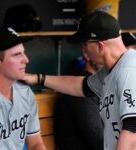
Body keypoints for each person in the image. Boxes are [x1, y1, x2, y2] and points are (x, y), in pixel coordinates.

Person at [23, 11, 136, 149]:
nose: (84, 51)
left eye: (86, 44)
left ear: (100, 46)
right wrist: (39, 78)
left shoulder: (129, 70)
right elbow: (81, 86)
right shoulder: (111, 70)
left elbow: (132, 133)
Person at [0, 27, 46, 150]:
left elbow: (35, 143)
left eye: (23, 52)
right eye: (17, 55)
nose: (26, 60)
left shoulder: (25, 92)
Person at [54, 57, 103, 150]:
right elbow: (98, 139)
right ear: (86, 53)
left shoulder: (103, 84)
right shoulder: (81, 90)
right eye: (99, 46)